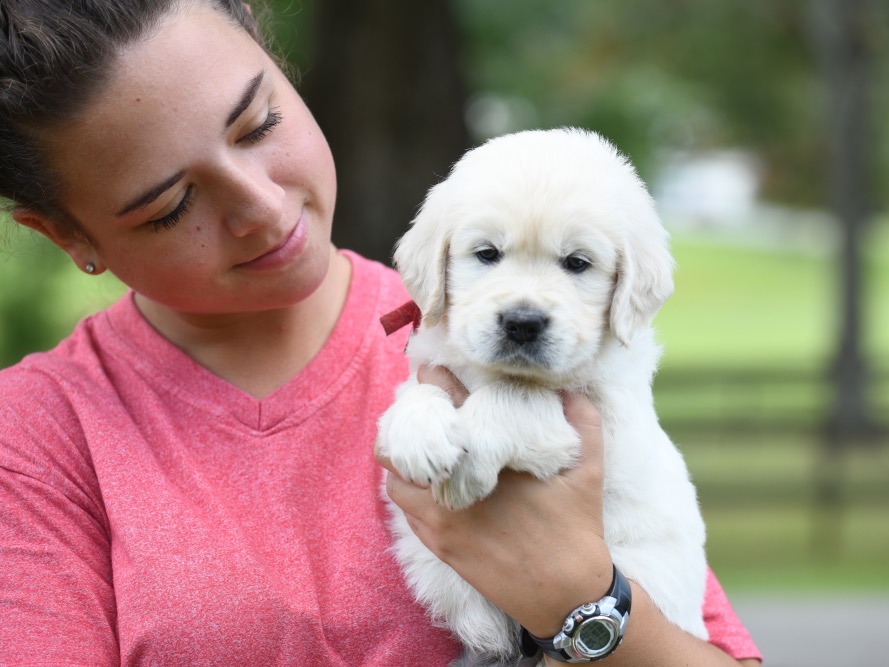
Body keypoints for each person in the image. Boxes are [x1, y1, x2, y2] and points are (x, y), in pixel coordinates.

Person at [0, 1, 763, 665]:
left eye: (259, 122)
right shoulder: (37, 438)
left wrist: (581, 603)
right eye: (170, 205)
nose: (263, 207)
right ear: (67, 235)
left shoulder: (514, 358)